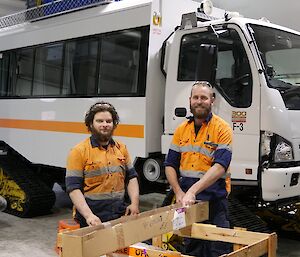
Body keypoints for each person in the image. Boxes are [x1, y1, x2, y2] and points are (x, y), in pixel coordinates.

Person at [164, 81, 233, 257]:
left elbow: (220, 166)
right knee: (192, 248)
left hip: (215, 204)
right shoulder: (181, 130)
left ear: (212, 100)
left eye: (204, 97)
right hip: (189, 205)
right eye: (196, 97)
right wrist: (178, 192)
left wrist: (192, 191)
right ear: (190, 100)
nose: (199, 101)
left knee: (218, 249)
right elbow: (170, 164)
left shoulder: (222, 128)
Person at [66, 101, 139, 227]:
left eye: (109, 121)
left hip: (119, 214)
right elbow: (73, 188)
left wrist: (134, 203)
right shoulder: (78, 151)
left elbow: (131, 177)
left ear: (114, 124)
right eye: (100, 121)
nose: (105, 125)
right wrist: (89, 216)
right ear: (90, 124)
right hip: (92, 218)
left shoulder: (121, 148)